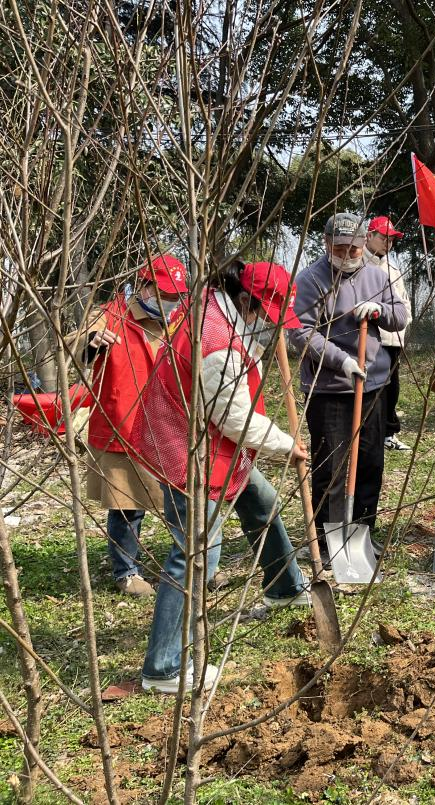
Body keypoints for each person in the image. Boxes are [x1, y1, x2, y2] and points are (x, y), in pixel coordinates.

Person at [134, 261, 311, 694]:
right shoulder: (217, 340)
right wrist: (286, 445)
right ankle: (164, 667)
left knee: (261, 500)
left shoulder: (213, 309)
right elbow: (234, 418)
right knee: (196, 553)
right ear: (247, 299)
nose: (270, 325)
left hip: (204, 438)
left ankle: (283, 587)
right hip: (190, 449)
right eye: (266, 313)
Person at [290, 212, 408, 555]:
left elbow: (399, 314)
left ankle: (361, 535)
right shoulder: (311, 279)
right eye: (340, 248)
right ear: (327, 244)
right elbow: (300, 331)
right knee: (333, 466)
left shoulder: (376, 275)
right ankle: (328, 541)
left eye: (354, 249)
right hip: (330, 388)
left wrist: (378, 311)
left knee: (370, 461)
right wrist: (341, 361)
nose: (348, 255)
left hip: (373, 385)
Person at [73, 254, 187, 597]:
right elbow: (77, 344)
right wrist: (91, 343)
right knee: (127, 505)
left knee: (183, 502)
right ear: (143, 286)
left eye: (174, 296)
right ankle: (127, 572)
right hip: (123, 424)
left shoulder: (183, 318)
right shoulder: (110, 315)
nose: (169, 302)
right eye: (163, 294)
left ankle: (192, 565)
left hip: (170, 426)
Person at [365, 216, 413, 452]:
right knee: (372, 389)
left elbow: (403, 302)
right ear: (369, 236)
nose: (387, 243)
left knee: (392, 388)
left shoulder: (393, 268)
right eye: (383, 238)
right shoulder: (360, 266)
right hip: (371, 339)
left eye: (391, 239)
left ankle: (388, 434)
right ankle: (367, 432)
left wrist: (406, 322)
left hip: (394, 339)